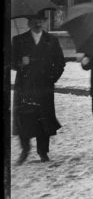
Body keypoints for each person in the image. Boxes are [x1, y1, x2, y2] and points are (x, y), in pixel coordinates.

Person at [11, 11, 65, 164]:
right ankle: (25, 150)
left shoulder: (52, 40)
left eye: (41, 21)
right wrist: (21, 63)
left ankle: (43, 152)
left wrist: (51, 79)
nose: (38, 24)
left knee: (44, 119)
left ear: (45, 22)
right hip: (25, 86)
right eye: (34, 21)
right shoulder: (18, 40)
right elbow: (11, 62)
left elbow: (60, 63)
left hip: (44, 87)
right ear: (29, 23)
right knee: (24, 118)